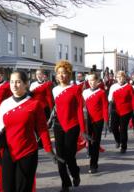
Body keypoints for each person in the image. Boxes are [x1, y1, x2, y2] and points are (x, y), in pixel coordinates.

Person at [0, 70, 58, 192]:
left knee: (23, 188)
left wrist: (49, 149)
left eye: (18, 82)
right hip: (9, 152)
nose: (14, 85)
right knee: (8, 187)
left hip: (28, 152)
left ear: (26, 84)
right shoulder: (5, 104)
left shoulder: (35, 104)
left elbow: (42, 129)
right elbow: (1, 125)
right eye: (12, 82)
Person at [52, 60, 86, 192]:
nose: (61, 76)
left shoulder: (75, 89)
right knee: (60, 157)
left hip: (72, 126)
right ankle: (65, 184)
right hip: (58, 126)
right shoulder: (54, 90)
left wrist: (83, 130)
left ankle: (75, 173)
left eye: (64, 73)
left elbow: (79, 109)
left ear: (69, 74)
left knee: (69, 156)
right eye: (59, 73)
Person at [82, 73, 108, 174]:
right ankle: (90, 152)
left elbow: (105, 107)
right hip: (87, 120)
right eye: (90, 81)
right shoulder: (84, 92)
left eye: (93, 80)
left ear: (97, 82)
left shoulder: (101, 92)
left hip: (98, 120)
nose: (92, 83)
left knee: (96, 143)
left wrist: (106, 121)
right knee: (89, 141)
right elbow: (81, 107)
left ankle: (94, 165)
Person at [108, 71, 134, 153]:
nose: (120, 79)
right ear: (116, 78)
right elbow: (109, 98)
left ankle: (124, 146)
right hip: (115, 110)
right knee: (113, 127)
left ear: (124, 78)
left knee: (123, 129)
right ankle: (118, 140)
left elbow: (132, 99)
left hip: (125, 111)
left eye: (122, 77)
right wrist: (111, 100)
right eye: (118, 77)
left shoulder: (129, 87)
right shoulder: (113, 87)